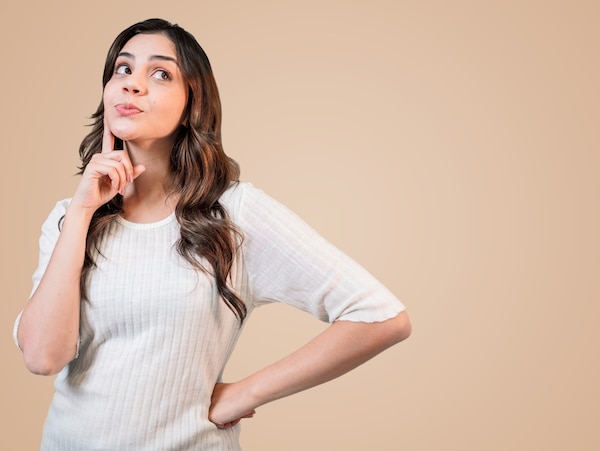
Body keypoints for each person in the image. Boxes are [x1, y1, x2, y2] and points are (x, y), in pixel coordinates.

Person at [13, 18, 411, 450]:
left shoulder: (234, 213)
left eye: (160, 73)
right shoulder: (68, 217)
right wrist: (81, 212)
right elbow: (42, 357)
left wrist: (246, 393)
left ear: (193, 102)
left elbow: (381, 318)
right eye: (123, 69)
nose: (132, 85)